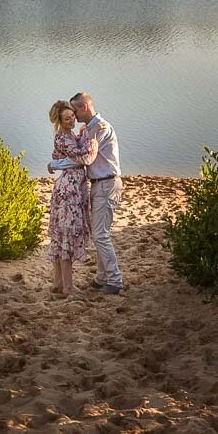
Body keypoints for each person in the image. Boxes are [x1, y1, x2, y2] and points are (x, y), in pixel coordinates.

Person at [69, 92, 123, 294]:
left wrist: (55, 164)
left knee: (100, 235)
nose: (73, 116)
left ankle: (115, 281)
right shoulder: (89, 128)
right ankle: (102, 278)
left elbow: (86, 157)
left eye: (74, 110)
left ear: (84, 107)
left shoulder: (101, 128)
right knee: (100, 233)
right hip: (99, 184)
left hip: (107, 184)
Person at [45, 100, 97, 295]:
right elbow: (84, 157)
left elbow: (60, 159)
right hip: (69, 189)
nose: (71, 120)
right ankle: (67, 286)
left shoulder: (68, 135)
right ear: (59, 120)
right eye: (67, 118)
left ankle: (58, 283)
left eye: (72, 116)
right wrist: (92, 137)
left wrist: (82, 134)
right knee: (65, 235)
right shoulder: (63, 137)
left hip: (70, 187)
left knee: (61, 235)